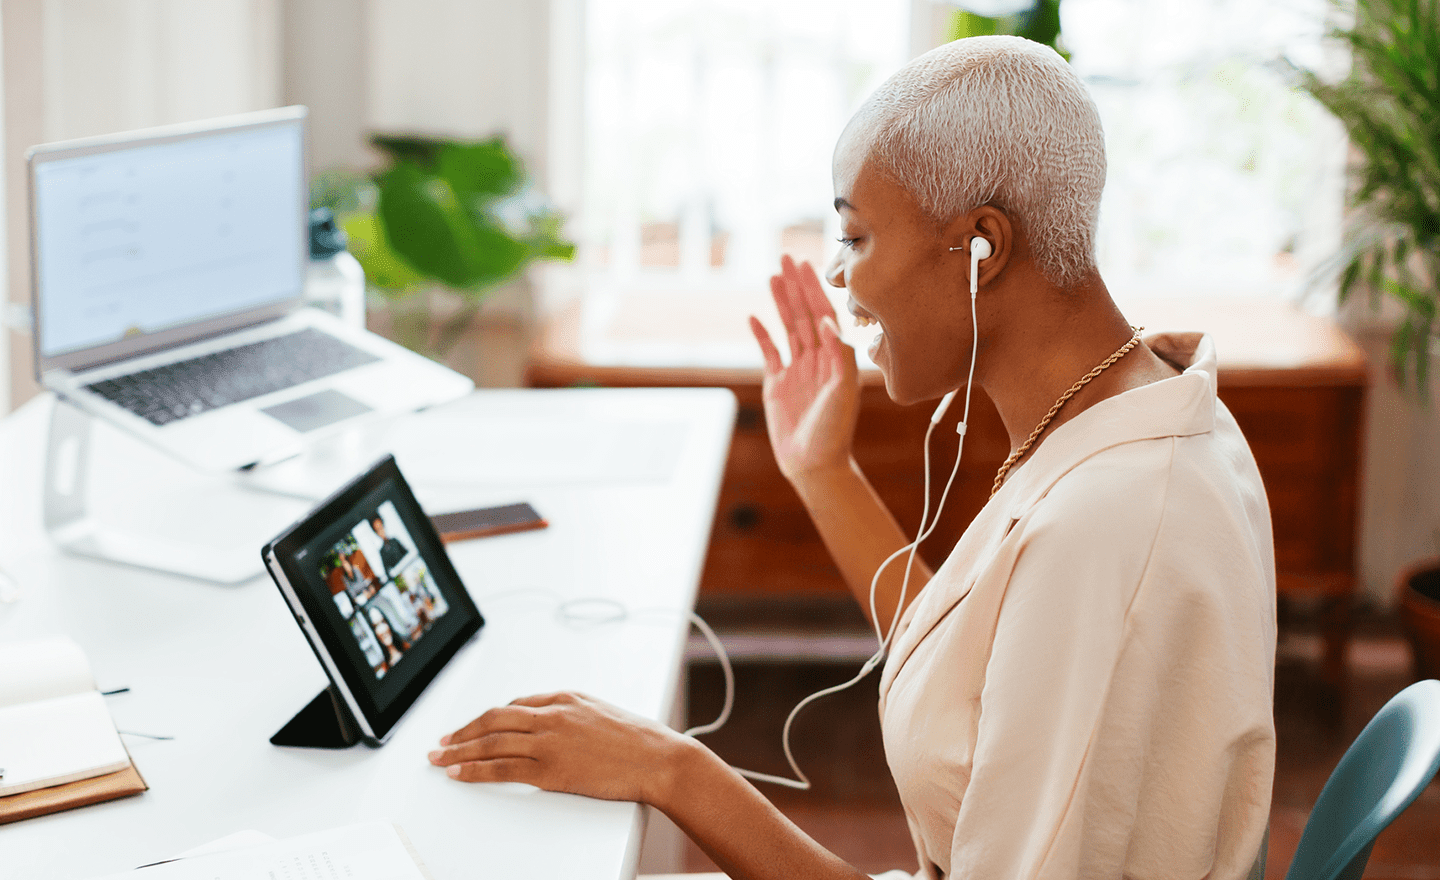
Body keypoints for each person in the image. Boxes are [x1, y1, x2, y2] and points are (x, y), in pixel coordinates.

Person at [427, 35, 1276, 880]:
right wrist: (822, 469)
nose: (838, 276)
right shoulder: (1149, 409)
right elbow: (973, 670)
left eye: (858, 237)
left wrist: (674, 770)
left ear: (981, 246)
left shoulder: (1106, 524)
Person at [371, 514, 410, 579]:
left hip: (408, 569)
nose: (381, 531)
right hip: (400, 578)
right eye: (378, 530)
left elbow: (407, 553)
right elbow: (387, 572)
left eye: (381, 527)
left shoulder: (394, 540)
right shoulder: (382, 552)